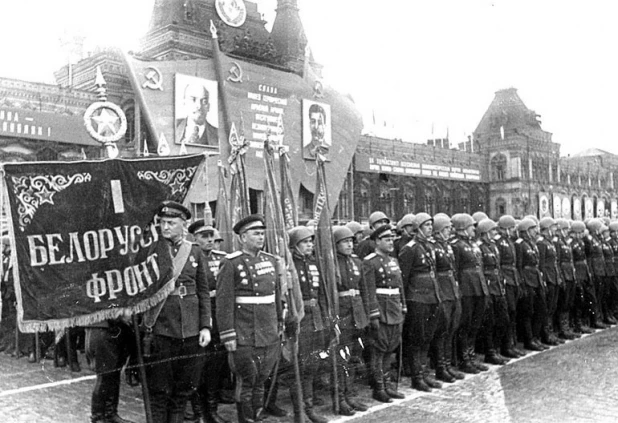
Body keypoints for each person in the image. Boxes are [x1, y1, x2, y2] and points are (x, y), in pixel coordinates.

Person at [143, 201, 212, 423]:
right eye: (162, 222)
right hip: (161, 328)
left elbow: (203, 292)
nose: (165, 227)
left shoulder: (195, 251)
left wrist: (205, 326)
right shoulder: (151, 249)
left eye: (171, 223)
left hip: (191, 331)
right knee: (160, 392)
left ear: (184, 224)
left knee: (183, 391)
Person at [216, 214, 281, 423]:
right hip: (244, 333)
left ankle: (258, 415)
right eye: (255, 233)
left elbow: (277, 296)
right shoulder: (231, 263)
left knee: (262, 378)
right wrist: (228, 335)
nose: (261, 237)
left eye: (262, 233)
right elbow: (224, 302)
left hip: (268, 331)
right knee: (247, 381)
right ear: (243, 237)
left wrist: (280, 322)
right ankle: (246, 420)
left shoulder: (271, 261)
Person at [187, 220, 229, 423]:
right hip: (197, 316)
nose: (210, 240)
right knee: (197, 366)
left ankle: (211, 410)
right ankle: (198, 412)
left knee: (216, 365)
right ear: (194, 238)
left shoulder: (222, 258)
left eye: (211, 235)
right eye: (204, 236)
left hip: (218, 315)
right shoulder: (188, 258)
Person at [399, 213, 444, 392]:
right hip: (417, 298)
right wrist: (405, 302)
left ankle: (424, 374)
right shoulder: (410, 248)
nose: (430, 228)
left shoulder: (429, 246)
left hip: (432, 296)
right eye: (426, 226)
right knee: (417, 337)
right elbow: (404, 277)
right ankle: (416, 377)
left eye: (431, 225)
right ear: (418, 228)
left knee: (427, 337)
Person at [363, 225, 406, 403]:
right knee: (378, 350)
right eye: (387, 239)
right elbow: (368, 291)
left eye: (392, 240)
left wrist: (403, 305)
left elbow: (399, 285)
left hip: (394, 309)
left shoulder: (393, 261)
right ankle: (379, 387)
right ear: (377, 241)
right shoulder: (370, 262)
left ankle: (388, 385)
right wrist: (373, 314)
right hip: (380, 309)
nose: (390, 243)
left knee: (391, 348)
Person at [333, 225, 372, 415]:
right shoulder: (331, 263)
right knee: (341, 357)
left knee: (354, 356)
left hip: (358, 313)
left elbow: (364, 289)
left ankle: (350, 395)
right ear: (336, 245)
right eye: (345, 242)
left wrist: (367, 313)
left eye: (351, 241)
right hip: (342, 313)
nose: (349, 245)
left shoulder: (357, 262)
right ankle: (339, 398)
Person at [450, 213, 489, 374]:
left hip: (478, 287)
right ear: (462, 228)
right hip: (466, 289)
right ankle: (463, 359)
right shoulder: (456, 245)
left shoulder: (473, 243)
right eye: (470, 226)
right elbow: (455, 270)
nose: (474, 228)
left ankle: (471, 356)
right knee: (465, 324)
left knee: (475, 323)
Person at [86, 319, 135, 423]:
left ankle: (110, 414)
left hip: (117, 328)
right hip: (102, 327)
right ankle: (98, 417)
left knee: (115, 373)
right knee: (104, 375)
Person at [476, 218, 510, 365]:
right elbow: (481, 269)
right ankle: (490, 352)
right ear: (485, 232)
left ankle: (496, 349)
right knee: (490, 322)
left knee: (503, 319)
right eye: (492, 230)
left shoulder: (493, 246)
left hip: (498, 286)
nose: (495, 233)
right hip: (489, 287)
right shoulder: (480, 247)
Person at [515, 218, 549, 351]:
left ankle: (536, 337)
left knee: (540, 308)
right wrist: (522, 282)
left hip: (536, 278)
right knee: (528, 311)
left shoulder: (533, 243)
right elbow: (518, 265)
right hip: (527, 279)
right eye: (533, 229)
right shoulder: (520, 244)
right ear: (526, 231)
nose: (536, 231)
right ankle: (529, 340)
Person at [495, 215, 526, 358]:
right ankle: (506, 346)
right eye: (511, 228)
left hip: (512, 278)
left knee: (513, 312)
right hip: (505, 279)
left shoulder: (510, 241)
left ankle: (511, 344)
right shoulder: (498, 242)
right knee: (508, 312)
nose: (513, 230)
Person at [537, 217, 563, 346]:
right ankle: (546, 334)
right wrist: (544, 280)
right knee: (546, 307)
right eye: (553, 227)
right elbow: (541, 264)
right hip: (548, 277)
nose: (555, 229)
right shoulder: (541, 243)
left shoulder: (550, 242)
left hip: (554, 276)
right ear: (547, 228)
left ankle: (550, 332)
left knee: (552, 306)